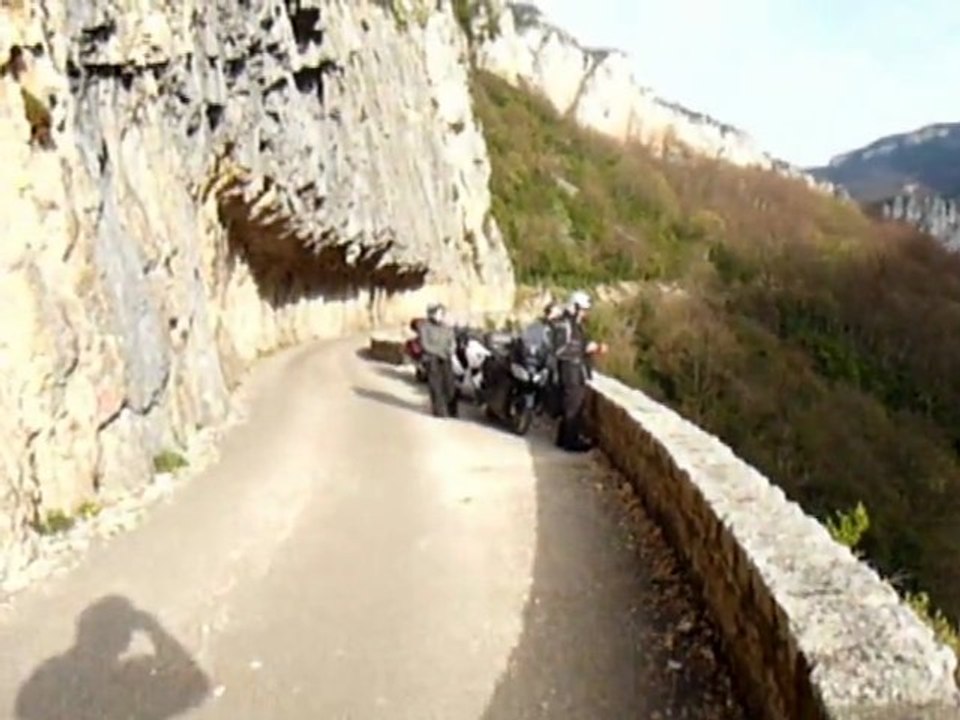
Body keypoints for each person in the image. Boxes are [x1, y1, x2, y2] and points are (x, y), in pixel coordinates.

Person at [552, 290, 605, 452]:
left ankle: (563, 439)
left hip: (576, 369)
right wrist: (587, 348)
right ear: (574, 307)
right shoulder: (565, 324)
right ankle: (570, 442)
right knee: (573, 406)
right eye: (583, 309)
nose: (585, 313)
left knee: (572, 404)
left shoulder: (574, 324)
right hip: (570, 370)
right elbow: (561, 348)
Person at [419, 303, 459, 418]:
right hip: (432, 358)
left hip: (446, 357)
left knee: (450, 384)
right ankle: (439, 410)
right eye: (438, 313)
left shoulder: (446, 328)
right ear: (431, 314)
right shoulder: (425, 327)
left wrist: (451, 349)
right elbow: (425, 345)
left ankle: (452, 410)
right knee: (436, 385)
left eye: (442, 313)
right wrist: (438, 352)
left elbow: (452, 341)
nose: (440, 316)